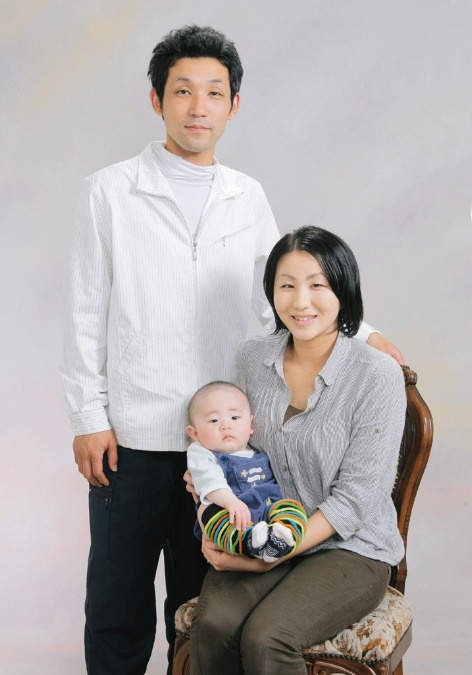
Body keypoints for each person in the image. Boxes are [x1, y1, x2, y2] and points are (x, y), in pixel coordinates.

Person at [59, 23, 402, 675]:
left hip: (225, 446)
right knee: (117, 605)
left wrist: (362, 331)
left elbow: (283, 292)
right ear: (156, 99)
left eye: (214, 92)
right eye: (183, 90)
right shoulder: (108, 192)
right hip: (131, 435)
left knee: (197, 607)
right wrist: (87, 416)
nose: (199, 107)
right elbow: (83, 313)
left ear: (233, 105)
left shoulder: (246, 196)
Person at [188, 226, 407, 675]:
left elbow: (356, 500)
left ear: (343, 290)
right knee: (213, 626)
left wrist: (271, 556)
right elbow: (237, 442)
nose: (300, 301)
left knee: (268, 638)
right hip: (264, 527)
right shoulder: (253, 358)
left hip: (351, 548)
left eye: (317, 285)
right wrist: (209, 480)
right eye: (286, 286)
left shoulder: (376, 375)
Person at [187, 381, 308, 561]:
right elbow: (209, 480)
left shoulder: (259, 449)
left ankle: (279, 539)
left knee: (293, 508)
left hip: (269, 507)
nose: (225, 425)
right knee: (209, 513)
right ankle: (250, 542)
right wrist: (230, 502)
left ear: (251, 425)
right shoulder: (202, 453)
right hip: (229, 514)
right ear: (194, 433)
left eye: (235, 418)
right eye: (214, 420)